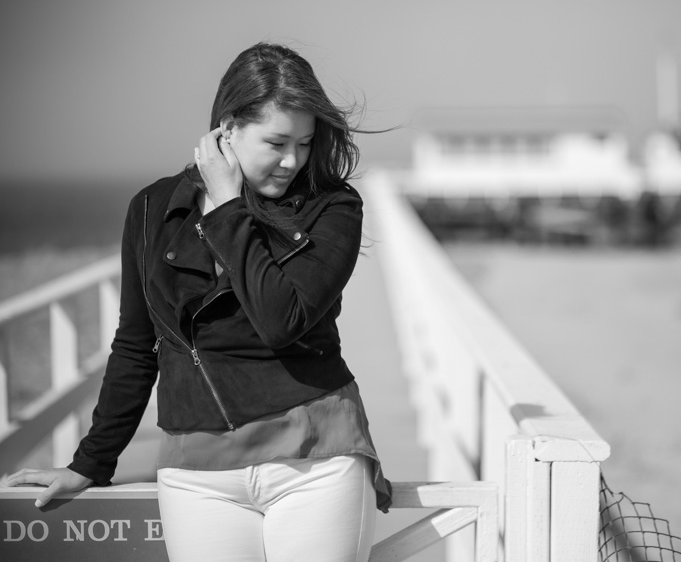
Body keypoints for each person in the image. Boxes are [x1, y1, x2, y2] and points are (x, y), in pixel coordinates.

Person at [1, 42, 392, 562]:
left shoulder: (333, 206)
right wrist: (90, 462)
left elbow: (282, 319)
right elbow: (137, 345)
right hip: (196, 471)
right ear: (227, 129)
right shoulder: (152, 208)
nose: (292, 160)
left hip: (317, 456)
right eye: (276, 142)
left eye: (304, 142)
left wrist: (228, 206)